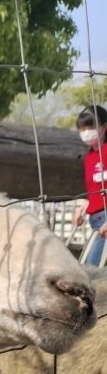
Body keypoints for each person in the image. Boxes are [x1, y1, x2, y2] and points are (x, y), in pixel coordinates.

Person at [73, 104, 107, 266]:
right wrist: (83, 207)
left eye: (90, 126)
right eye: (82, 128)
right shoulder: (89, 157)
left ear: (104, 127)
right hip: (95, 220)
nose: (86, 132)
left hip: (105, 219)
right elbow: (95, 191)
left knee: (92, 269)